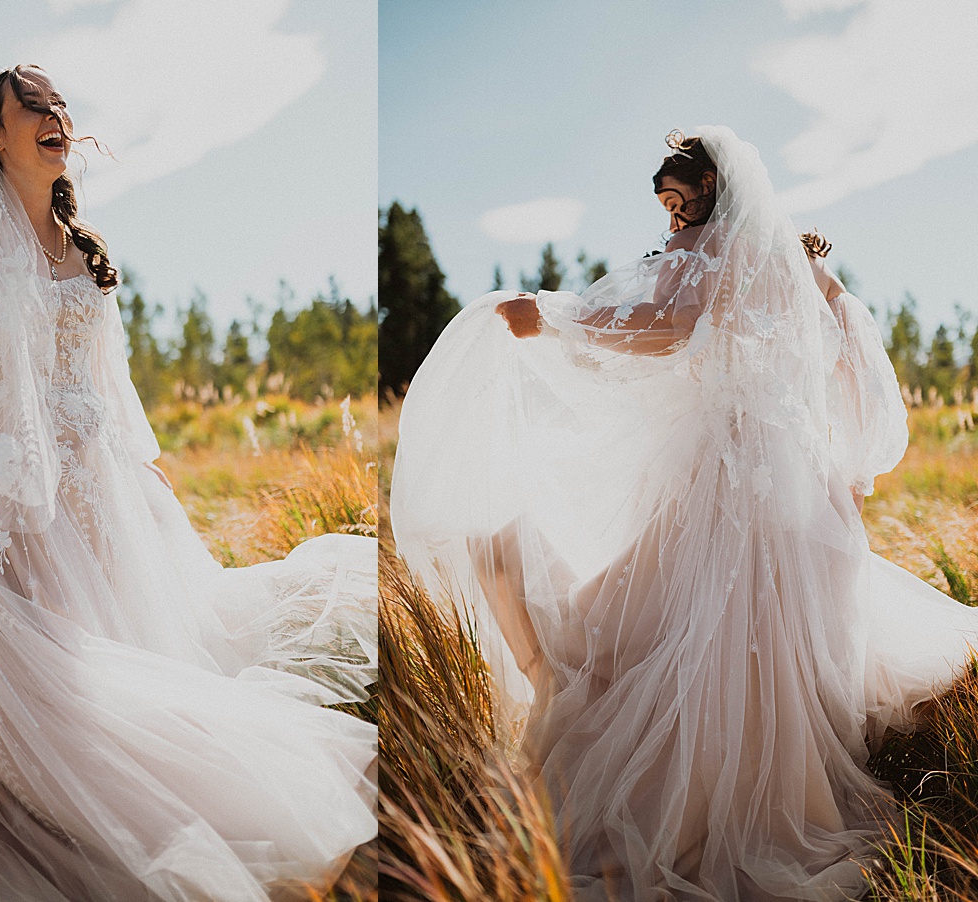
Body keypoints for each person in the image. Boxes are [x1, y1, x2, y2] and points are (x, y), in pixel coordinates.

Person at [0, 65, 380, 901]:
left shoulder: (79, 244)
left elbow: (104, 379)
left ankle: (146, 816)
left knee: (114, 661)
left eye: (60, 105)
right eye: (34, 108)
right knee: (40, 689)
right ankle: (55, 831)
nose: (56, 117)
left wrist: (143, 475)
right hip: (0, 507)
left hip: (100, 494)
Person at [391, 126, 978, 900]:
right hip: (791, 485)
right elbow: (843, 364)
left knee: (695, 627)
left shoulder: (712, 257)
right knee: (742, 636)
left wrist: (554, 319)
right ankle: (748, 783)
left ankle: (696, 802)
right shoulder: (797, 273)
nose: (670, 217)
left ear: (713, 198)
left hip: (729, 478)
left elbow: (667, 332)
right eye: (666, 203)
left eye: (679, 201)